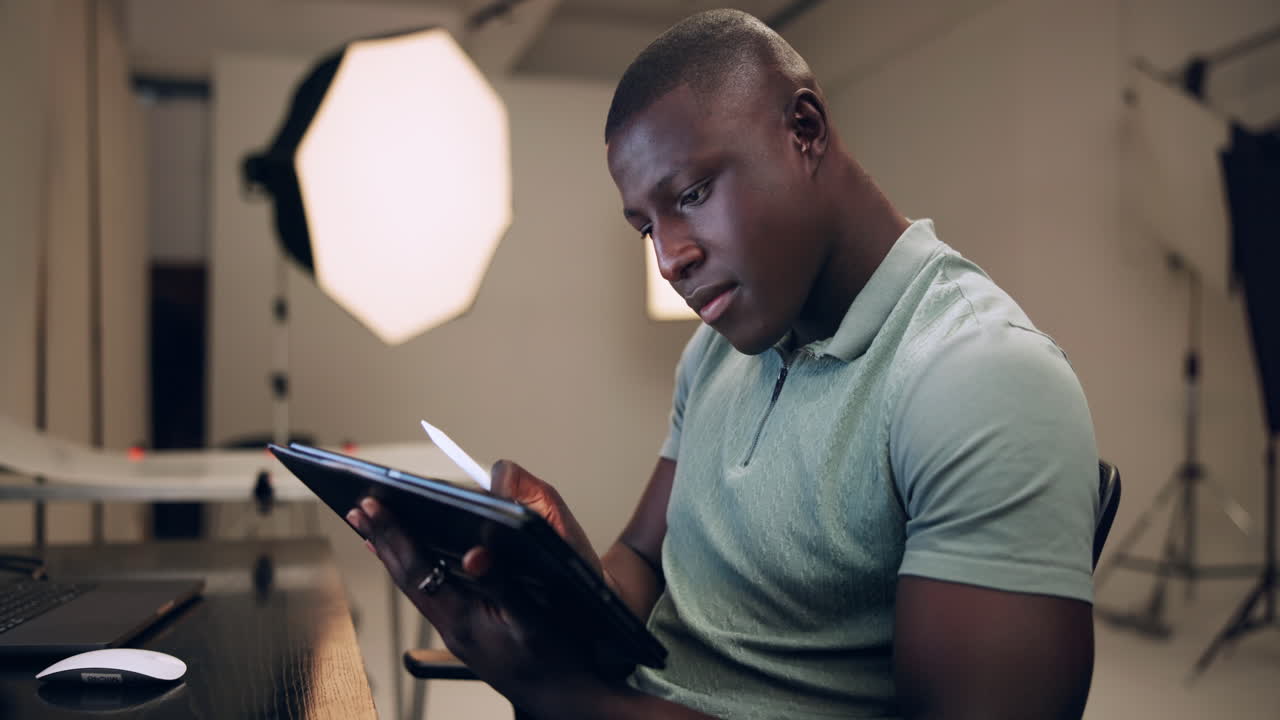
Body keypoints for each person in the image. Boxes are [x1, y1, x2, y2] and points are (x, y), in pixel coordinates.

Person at [346, 9, 1099, 719]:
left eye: (693, 193)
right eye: (647, 228)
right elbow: (643, 559)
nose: (670, 258)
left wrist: (564, 696)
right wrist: (565, 584)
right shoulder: (716, 349)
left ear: (804, 131)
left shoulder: (980, 379)